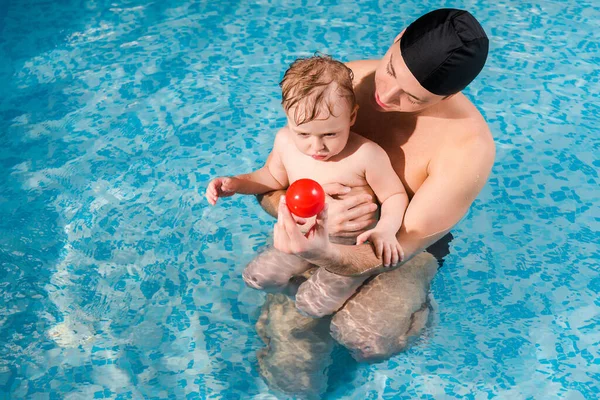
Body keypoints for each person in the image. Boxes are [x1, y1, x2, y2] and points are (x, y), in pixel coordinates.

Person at [257, 8, 495, 362]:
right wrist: (306, 216)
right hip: (327, 220)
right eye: (391, 70)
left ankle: (418, 316)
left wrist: (321, 252)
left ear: (452, 93)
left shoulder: (466, 151)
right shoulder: (346, 84)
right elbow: (270, 183)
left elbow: (400, 248)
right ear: (397, 38)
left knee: (361, 335)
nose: (385, 94)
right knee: (287, 338)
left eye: (412, 98)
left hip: (404, 248)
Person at [206, 55, 409, 316]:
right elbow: (271, 177)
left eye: (330, 134)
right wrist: (236, 183)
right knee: (257, 277)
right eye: (303, 133)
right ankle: (303, 292)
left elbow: (394, 195)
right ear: (287, 118)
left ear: (352, 117)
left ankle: (349, 290)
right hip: (304, 239)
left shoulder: (366, 156)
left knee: (312, 305)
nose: (317, 147)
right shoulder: (284, 142)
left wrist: (385, 230)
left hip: (347, 250)